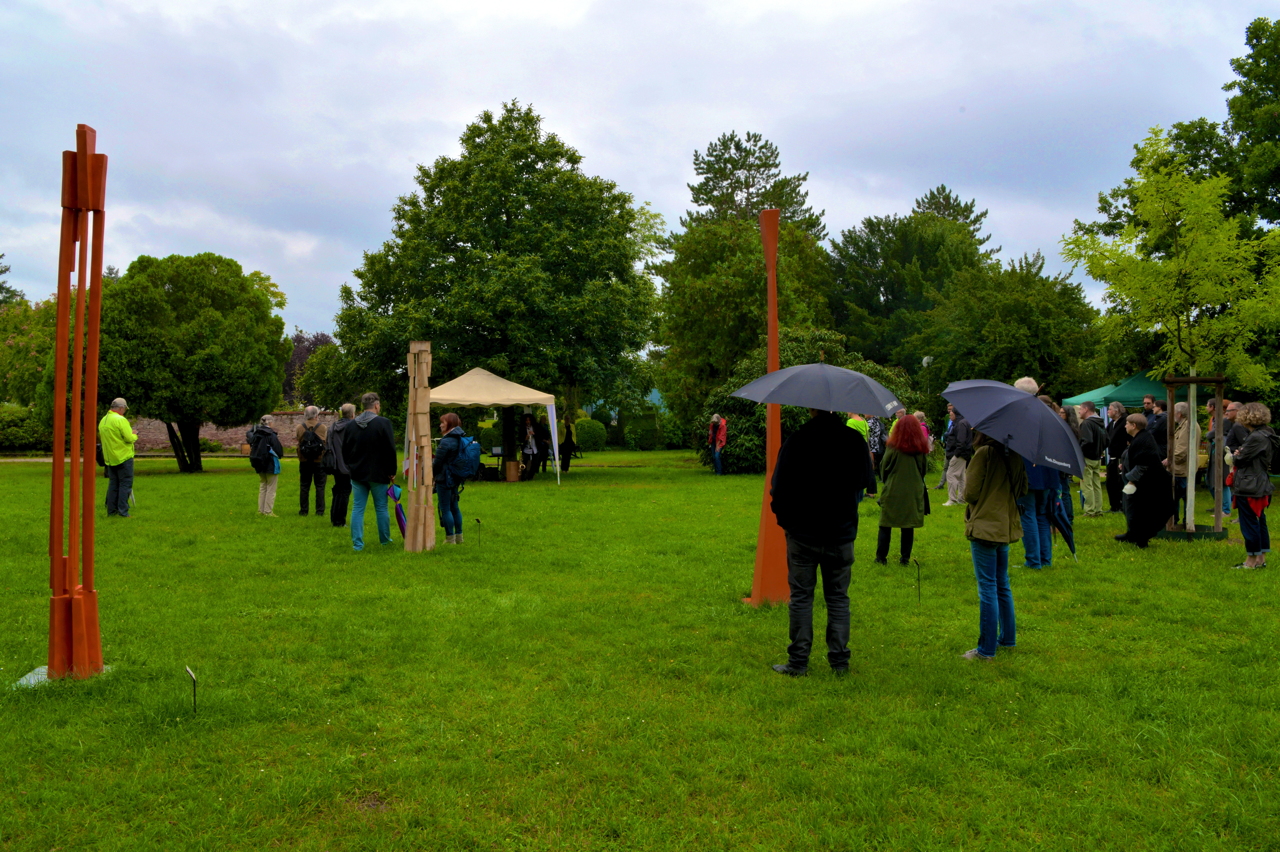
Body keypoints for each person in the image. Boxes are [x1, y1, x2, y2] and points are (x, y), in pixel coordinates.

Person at [769, 409, 873, 676]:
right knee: (838, 598)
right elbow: (866, 482)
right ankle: (839, 663)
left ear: (810, 409)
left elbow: (778, 487)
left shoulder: (797, 440)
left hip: (803, 532)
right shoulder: (853, 440)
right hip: (841, 532)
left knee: (802, 597)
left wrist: (786, 522)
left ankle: (798, 663)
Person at [961, 431, 1029, 660]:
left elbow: (970, 492)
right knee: (1002, 584)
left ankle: (986, 650)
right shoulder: (1016, 455)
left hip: (986, 526)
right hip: (1004, 525)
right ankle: (1008, 639)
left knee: (988, 587)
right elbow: (1023, 489)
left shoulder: (985, 453)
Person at [343, 392, 397, 551]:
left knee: (357, 508)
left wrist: (350, 465)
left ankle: (357, 544)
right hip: (378, 473)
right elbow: (390, 449)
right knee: (381, 507)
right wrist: (391, 470)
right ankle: (385, 540)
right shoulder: (383, 423)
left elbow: (345, 449)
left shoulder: (351, 425)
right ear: (376, 405)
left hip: (357, 472)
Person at [1230, 402, 1279, 569]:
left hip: (1250, 484)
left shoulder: (1256, 437)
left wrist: (1237, 454)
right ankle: (1261, 558)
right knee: (1259, 520)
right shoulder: (1268, 433)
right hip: (1260, 482)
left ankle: (1250, 561)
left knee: (1249, 522)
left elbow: (1241, 459)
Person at [876, 414, 930, 565]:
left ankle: (881, 558)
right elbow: (923, 469)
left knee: (885, 524)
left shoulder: (893, 447)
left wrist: (888, 480)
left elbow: (884, 467)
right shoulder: (920, 448)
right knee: (908, 525)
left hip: (893, 488)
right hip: (913, 490)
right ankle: (904, 559)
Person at [1115, 413, 1173, 548]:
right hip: (1142, 482)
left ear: (1134, 426)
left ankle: (1141, 538)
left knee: (1143, 511)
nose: (1125, 426)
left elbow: (1143, 464)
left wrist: (1131, 480)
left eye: (1127, 423)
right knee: (1132, 508)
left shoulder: (1144, 439)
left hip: (1148, 484)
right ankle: (1133, 533)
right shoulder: (1139, 438)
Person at [98, 397, 138, 518]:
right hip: (123, 456)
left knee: (113, 485)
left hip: (110, 458)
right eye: (124, 409)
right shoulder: (120, 420)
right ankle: (123, 511)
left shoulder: (103, 420)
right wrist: (135, 435)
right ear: (121, 408)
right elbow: (128, 438)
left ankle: (111, 511)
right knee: (125, 484)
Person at [433, 412, 466, 544]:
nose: (440, 425)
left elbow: (438, 463)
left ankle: (450, 538)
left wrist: (433, 476)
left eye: (443, 422)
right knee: (455, 507)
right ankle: (459, 536)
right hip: (456, 478)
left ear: (449, 424)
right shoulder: (460, 439)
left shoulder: (446, 441)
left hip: (444, 479)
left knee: (445, 508)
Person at [1165, 402, 1200, 527]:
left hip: (1182, 469)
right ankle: (1180, 520)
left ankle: (1181, 521)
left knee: (1181, 496)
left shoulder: (1188, 426)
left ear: (1179, 413)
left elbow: (1181, 451)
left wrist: (1168, 460)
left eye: (1174, 412)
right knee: (1181, 496)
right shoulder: (1185, 425)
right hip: (1183, 468)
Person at [325, 403, 356, 527]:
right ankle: (339, 521)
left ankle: (334, 517)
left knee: (338, 490)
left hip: (335, 463)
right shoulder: (352, 426)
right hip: (347, 464)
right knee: (344, 492)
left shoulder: (334, 426)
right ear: (352, 414)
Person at [247, 414, 284, 516]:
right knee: (271, 488)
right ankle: (268, 511)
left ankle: (261, 510)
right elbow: (278, 450)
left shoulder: (256, 434)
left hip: (258, 462)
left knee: (263, 486)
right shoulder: (271, 435)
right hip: (270, 462)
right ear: (270, 422)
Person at [295, 405, 328, 517]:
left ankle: (304, 510)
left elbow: (299, 440)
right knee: (320, 486)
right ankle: (320, 510)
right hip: (319, 460)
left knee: (304, 485)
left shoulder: (300, 427)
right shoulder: (322, 427)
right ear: (316, 415)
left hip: (304, 460)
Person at [1077, 402, 1107, 518]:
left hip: (1087, 457)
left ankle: (1090, 511)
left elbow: (1087, 440)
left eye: (1080, 409)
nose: (1079, 411)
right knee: (1096, 484)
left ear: (1085, 409)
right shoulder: (1100, 423)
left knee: (1087, 485)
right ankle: (1098, 509)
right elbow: (1107, 440)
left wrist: (1079, 452)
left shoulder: (1087, 423)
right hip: (1097, 457)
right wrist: (1099, 450)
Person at [1222, 400, 1250, 519]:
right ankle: (1241, 515)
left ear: (1237, 411)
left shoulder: (1238, 425)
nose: (1226, 413)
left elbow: (1247, 443)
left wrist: (1238, 453)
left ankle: (1242, 516)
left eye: (1228, 410)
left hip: (1239, 462)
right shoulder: (1237, 425)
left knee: (1239, 489)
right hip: (1237, 460)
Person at [943, 407, 973, 507]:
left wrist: (955, 455)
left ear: (956, 413)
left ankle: (952, 499)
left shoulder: (961, 424)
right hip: (964, 454)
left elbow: (961, 441)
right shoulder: (964, 422)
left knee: (951, 474)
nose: (950, 413)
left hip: (959, 454)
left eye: (952, 412)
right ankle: (961, 498)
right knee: (961, 477)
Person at [1105, 401, 1130, 513]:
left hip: (1121, 456)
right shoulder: (1112, 423)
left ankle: (1121, 505)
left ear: (1116, 411)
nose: (1108, 412)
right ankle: (1114, 505)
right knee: (1111, 483)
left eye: (1109, 409)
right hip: (1112, 456)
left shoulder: (1125, 421)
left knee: (1120, 482)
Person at [934, 404, 956, 490]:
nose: (949, 411)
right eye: (948, 410)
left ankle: (955, 486)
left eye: (951, 410)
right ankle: (941, 484)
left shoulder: (958, 421)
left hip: (954, 446)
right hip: (947, 443)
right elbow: (945, 428)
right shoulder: (947, 417)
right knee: (945, 466)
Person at [865, 416, 886, 496]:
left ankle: (870, 492)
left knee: (870, 469)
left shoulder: (870, 422)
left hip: (871, 447)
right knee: (872, 468)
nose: (864, 414)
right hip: (876, 446)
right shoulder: (877, 421)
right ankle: (871, 491)